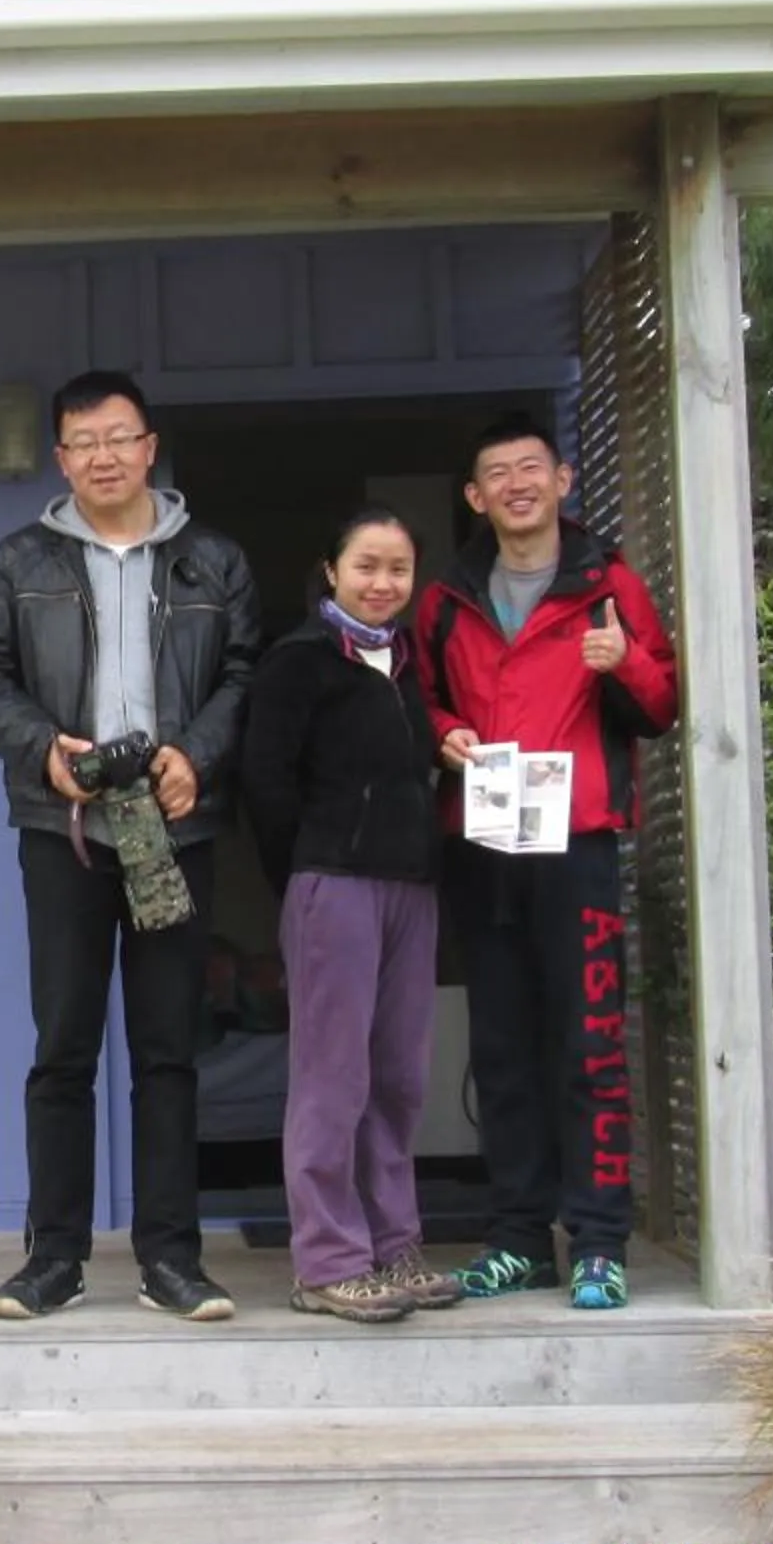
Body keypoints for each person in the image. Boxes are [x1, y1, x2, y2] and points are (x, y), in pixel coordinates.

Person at [0, 370, 259, 1322]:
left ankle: (173, 1260)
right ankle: (55, 1261)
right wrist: (43, 750)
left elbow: (245, 674)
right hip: (68, 831)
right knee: (63, 1047)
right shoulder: (21, 560)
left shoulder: (212, 560)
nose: (103, 457)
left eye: (118, 438)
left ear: (149, 445)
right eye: (83, 442)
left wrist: (195, 758)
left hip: (176, 825)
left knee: (169, 1048)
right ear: (60, 458)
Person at [420, 410, 678, 1312]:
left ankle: (599, 1241)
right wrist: (445, 731)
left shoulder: (608, 584)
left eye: (532, 468)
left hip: (580, 841)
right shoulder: (447, 595)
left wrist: (622, 663)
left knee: (590, 1041)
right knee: (500, 1048)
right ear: (475, 496)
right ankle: (518, 1237)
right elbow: (418, 698)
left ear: (563, 481)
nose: (517, 484)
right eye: (498, 473)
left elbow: (663, 702)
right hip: (486, 838)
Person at [239, 508, 464, 1324]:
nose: (383, 583)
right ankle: (329, 1261)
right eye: (366, 565)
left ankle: (392, 1244)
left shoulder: (405, 663)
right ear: (330, 571)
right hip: (333, 885)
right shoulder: (299, 661)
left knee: (400, 1076)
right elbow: (265, 784)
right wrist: (303, 878)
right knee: (333, 1078)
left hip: (410, 885)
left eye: (399, 569)